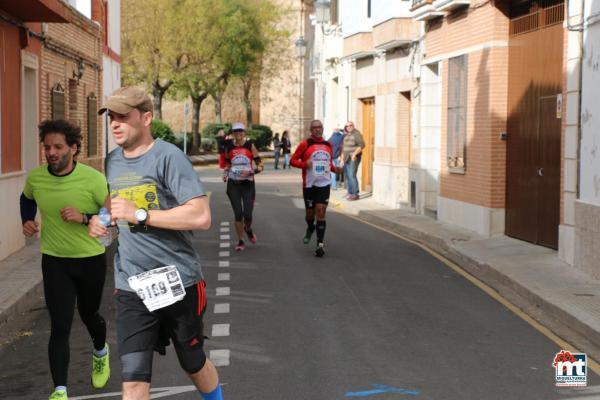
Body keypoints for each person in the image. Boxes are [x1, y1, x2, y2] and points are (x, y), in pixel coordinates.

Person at [89, 86, 223, 400]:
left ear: (146, 117)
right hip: (132, 285)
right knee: (133, 380)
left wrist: (140, 214)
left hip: (179, 281)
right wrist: (101, 219)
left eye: (123, 116)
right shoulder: (112, 162)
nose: (115, 124)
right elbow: (112, 206)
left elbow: (201, 216)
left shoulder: (169, 157)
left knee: (192, 361)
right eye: (112, 117)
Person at [20, 119, 110, 400]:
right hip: (55, 261)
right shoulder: (36, 178)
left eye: (58, 146)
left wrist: (84, 218)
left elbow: (109, 213)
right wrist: (26, 220)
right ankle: (60, 390)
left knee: (89, 314)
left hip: (90, 259)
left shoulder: (92, 179)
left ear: (73, 147)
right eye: (47, 147)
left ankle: (100, 349)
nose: (51, 152)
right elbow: (27, 198)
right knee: (59, 325)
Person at [290, 120, 341, 257]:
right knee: (309, 215)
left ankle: (320, 244)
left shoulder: (328, 144)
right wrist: (305, 164)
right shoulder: (305, 144)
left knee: (321, 211)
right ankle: (310, 227)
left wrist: (336, 170)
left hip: (324, 183)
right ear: (310, 130)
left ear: (323, 129)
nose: (318, 129)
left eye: (320, 127)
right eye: (315, 127)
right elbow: (292, 161)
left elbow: (328, 163)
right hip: (309, 184)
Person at [219, 122, 264, 251]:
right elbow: (228, 163)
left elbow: (261, 166)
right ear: (232, 133)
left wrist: (251, 172)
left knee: (248, 215)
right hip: (233, 184)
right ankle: (241, 241)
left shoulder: (250, 146)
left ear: (244, 133)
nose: (238, 133)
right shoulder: (229, 147)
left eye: (240, 131)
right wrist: (225, 173)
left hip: (248, 184)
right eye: (235, 131)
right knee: (238, 214)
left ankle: (248, 229)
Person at [341, 121, 365, 201]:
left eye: (350, 125)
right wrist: (341, 158)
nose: (349, 127)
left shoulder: (356, 134)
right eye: (347, 126)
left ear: (353, 126)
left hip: (353, 158)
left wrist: (354, 154)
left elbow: (362, 145)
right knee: (348, 176)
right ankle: (350, 193)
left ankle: (355, 194)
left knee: (352, 175)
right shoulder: (347, 135)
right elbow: (344, 147)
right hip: (346, 158)